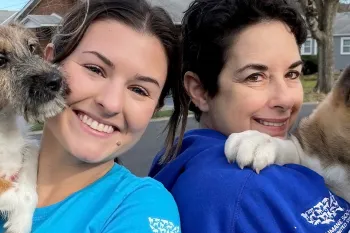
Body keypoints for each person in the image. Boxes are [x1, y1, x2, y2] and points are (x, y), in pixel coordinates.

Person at [149, 0, 350, 232]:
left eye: (292, 73)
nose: (285, 100)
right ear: (199, 90)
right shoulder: (241, 190)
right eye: (255, 76)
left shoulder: (182, 156)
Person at [0, 0, 188, 232]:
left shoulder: (142, 209)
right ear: (48, 61)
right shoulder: (12, 172)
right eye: (95, 69)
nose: (110, 103)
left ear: (155, 108)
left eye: (139, 90)